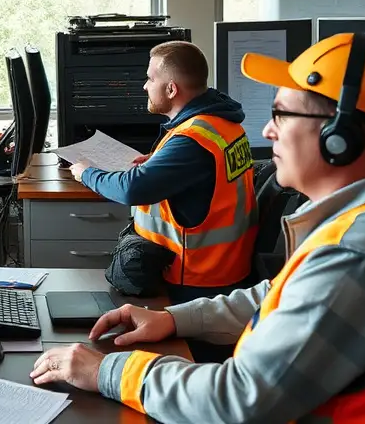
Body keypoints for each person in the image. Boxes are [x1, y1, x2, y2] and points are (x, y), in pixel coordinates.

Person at [29, 33, 365, 422]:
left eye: (282, 114)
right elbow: (283, 295)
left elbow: (238, 401)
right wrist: (175, 319)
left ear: (337, 137)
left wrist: (106, 371)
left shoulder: (354, 259)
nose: (268, 130)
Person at [70, 42, 258, 307]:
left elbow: (132, 189)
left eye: (150, 78)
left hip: (197, 282)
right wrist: (159, 161)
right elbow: (208, 174)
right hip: (227, 269)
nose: (144, 86)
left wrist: (87, 173)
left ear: (171, 89)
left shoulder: (192, 139)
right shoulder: (221, 123)